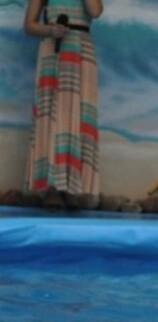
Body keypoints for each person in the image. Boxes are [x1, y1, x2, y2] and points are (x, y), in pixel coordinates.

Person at [23, 0, 104, 209]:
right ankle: (50, 186)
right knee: (52, 113)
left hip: (81, 48)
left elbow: (95, 11)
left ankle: (73, 187)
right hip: (53, 47)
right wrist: (49, 30)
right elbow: (29, 25)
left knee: (80, 114)